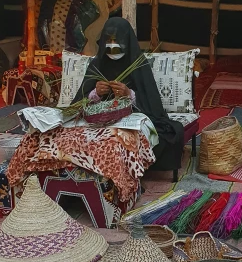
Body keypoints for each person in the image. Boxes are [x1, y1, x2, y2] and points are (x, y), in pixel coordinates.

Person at [73, 17, 184, 172]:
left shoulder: (138, 64)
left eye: (117, 40)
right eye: (109, 41)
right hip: (99, 120)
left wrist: (129, 94)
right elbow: (79, 102)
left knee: (162, 133)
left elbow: (153, 104)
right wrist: (95, 93)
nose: (113, 46)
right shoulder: (98, 64)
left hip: (131, 117)